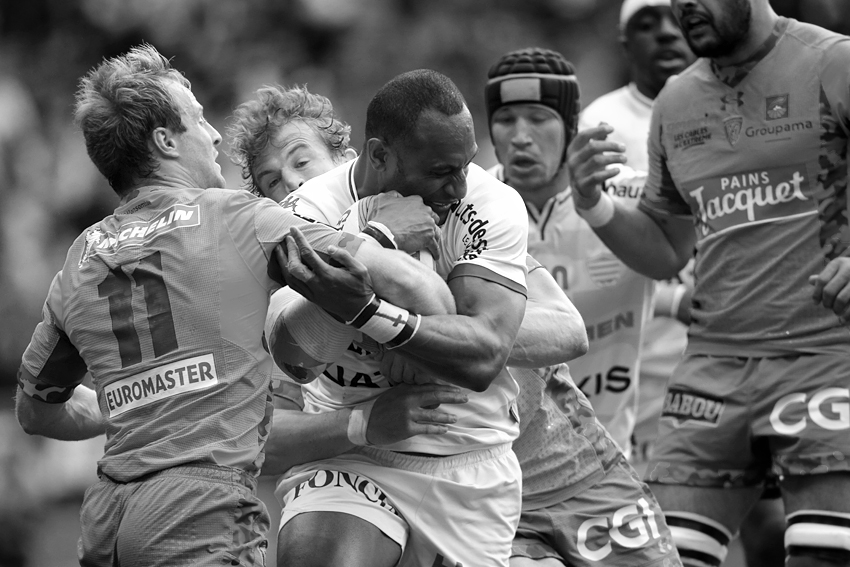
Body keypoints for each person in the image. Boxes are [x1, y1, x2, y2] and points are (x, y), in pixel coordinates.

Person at [13, 44, 454, 567]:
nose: (215, 134)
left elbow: (36, 411)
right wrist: (388, 248)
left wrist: (146, 401)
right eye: (199, 119)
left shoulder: (81, 255)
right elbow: (418, 290)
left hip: (107, 519)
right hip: (198, 512)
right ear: (166, 141)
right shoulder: (236, 218)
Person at [567, 1, 850, 565]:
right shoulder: (677, 101)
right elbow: (668, 248)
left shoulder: (833, 62)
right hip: (713, 364)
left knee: (821, 554)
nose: (685, 8)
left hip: (826, 351)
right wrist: (593, 205)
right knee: (660, 559)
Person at [254, 70, 531, 567]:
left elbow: (484, 357)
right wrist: (379, 241)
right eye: (441, 170)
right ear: (379, 155)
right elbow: (295, 357)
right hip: (354, 462)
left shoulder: (491, 204)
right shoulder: (306, 211)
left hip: (469, 460)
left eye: (466, 164)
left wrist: (377, 318)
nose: (460, 185)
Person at [484, 46, 682, 567]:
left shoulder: (627, 192)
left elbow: (675, 264)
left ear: (572, 126)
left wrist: (678, 299)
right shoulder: (466, 207)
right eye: (505, 119)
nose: (520, 135)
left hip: (613, 458)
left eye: (540, 118)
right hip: (509, 475)